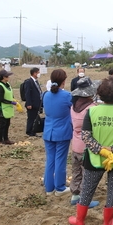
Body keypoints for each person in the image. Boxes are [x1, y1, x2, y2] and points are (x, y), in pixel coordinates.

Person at [69, 77, 113, 225]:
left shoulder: (92, 111)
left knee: (87, 188)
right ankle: (108, 222)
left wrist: (100, 149)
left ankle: (79, 220)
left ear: (99, 93)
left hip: (95, 158)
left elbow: (86, 135)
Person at [69, 78, 101, 207]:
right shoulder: (91, 108)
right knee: (87, 174)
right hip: (86, 147)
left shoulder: (74, 107)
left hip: (75, 144)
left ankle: (74, 196)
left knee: (76, 172)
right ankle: (84, 200)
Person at [43, 69, 73, 197]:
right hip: (62, 132)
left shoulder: (46, 95)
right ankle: (60, 187)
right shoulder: (67, 95)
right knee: (60, 160)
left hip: (48, 131)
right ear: (63, 81)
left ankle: (49, 188)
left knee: (50, 160)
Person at [0, 69, 18, 145]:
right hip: (2, 108)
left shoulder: (8, 85)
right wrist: (11, 102)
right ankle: (0, 140)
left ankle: (6, 139)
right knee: (2, 124)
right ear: (3, 77)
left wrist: (14, 99)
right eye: (7, 76)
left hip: (8, 108)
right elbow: (1, 99)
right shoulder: (0, 86)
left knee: (7, 123)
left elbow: (10, 94)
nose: (8, 77)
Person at [24, 67, 43, 137]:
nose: (39, 74)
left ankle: (33, 130)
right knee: (31, 118)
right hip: (31, 104)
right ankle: (29, 131)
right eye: (38, 72)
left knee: (35, 117)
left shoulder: (36, 81)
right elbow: (27, 93)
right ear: (34, 73)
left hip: (37, 103)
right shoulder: (29, 82)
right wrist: (29, 103)